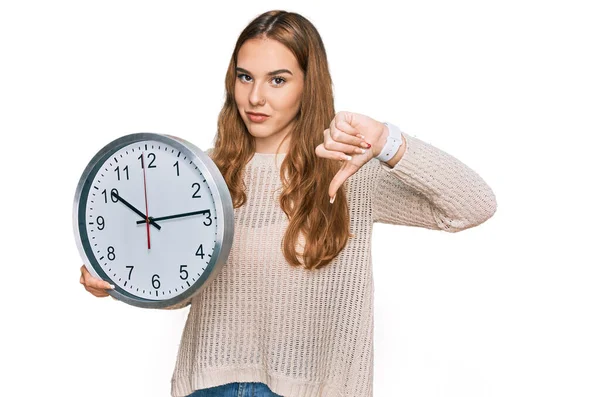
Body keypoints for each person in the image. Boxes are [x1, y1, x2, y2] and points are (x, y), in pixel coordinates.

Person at [80, 9, 497, 397]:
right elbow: (185, 286)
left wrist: (387, 141)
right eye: (245, 77)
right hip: (209, 385)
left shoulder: (351, 172)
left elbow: (472, 205)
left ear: (308, 85)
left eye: (277, 80)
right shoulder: (206, 173)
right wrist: (117, 285)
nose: (255, 97)